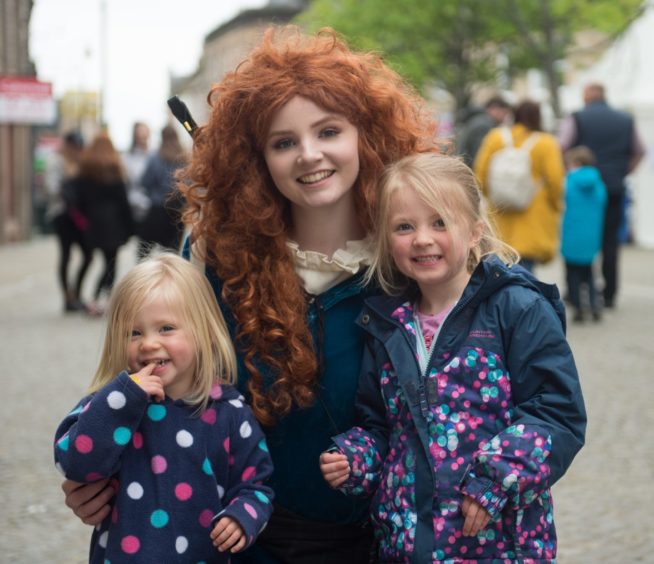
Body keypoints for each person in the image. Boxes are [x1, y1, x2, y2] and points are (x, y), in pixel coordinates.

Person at [61, 25, 439, 563]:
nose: (309, 155)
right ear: (256, 158)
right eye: (284, 142)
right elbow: (147, 379)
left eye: (329, 130)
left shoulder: (415, 261)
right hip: (239, 544)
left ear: (366, 135)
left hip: (385, 543)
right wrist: (97, 477)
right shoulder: (213, 264)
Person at [320, 153, 586, 562]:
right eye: (404, 227)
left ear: (475, 230)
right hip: (408, 544)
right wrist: (357, 459)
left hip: (498, 545)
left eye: (439, 222)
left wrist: (494, 481)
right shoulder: (386, 324)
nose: (422, 238)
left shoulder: (516, 310)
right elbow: (380, 424)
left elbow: (556, 413)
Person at [54, 254, 274, 562]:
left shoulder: (230, 412)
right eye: (134, 333)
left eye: (166, 328)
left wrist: (242, 518)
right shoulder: (111, 403)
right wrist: (122, 401)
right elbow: (74, 461)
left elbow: (256, 486)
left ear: (204, 333)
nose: (148, 344)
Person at [558, 82, 645, 308]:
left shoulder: (577, 117)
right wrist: (622, 171)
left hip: (580, 191)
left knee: (578, 236)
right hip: (614, 187)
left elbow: (562, 145)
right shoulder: (626, 119)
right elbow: (640, 150)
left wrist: (571, 173)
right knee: (610, 241)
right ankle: (609, 293)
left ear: (587, 96)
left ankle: (576, 289)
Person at [474, 100, 565, 272]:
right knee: (526, 272)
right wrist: (555, 205)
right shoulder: (546, 143)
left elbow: (480, 172)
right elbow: (555, 180)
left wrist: (495, 196)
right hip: (533, 216)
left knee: (499, 266)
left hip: (500, 214)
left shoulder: (496, 137)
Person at [70, 132, 134, 315]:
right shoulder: (115, 169)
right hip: (113, 224)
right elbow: (123, 202)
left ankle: (80, 296)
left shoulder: (85, 171)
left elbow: (78, 200)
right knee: (111, 263)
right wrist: (130, 228)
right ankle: (99, 298)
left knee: (89, 260)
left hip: (91, 224)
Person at [43, 131, 94, 312]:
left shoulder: (81, 162)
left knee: (88, 255)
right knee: (66, 255)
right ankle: (67, 298)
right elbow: (51, 187)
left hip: (79, 217)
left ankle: (77, 294)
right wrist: (69, 181)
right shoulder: (55, 160)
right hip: (62, 214)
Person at [561, 146, 607, 323]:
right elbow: (602, 204)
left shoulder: (569, 181)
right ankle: (595, 305)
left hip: (571, 234)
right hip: (591, 235)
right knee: (589, 273)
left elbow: (561, 203)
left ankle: (578, 308)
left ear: (575, 163)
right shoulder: (599, 183)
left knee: (572, 274)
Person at [137, 124, 188, 258]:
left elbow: (145, 182)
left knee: (144, 252)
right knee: (172, 254)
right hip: (177, 211)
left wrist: (154, 194)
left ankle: (143, 278)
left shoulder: (154, 157)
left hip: (157, 209)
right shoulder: (185, 158)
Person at [455, 95, 511, 168]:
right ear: (494, 109)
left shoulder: (480, 120)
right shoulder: (484, 126)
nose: (504, 118)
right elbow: (478, 155)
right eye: (504, 113)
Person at [121, 121, 152, 224]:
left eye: (145, 133)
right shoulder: (126, 158)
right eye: (140, 133)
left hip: (152, 209)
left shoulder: (154, 157)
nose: (143, 136)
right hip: (133, 208)